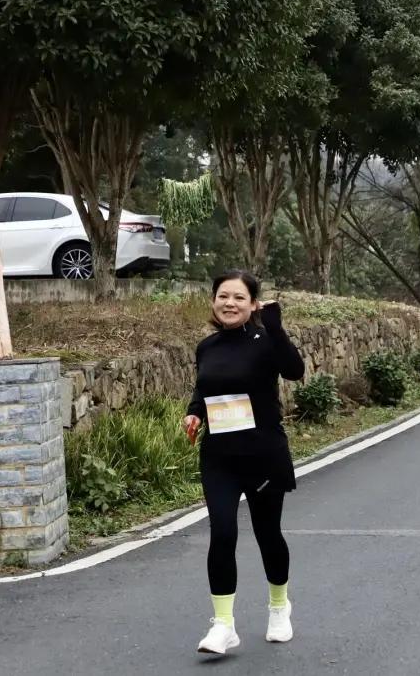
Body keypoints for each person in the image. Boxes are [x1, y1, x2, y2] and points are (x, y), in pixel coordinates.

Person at [183, 270, 305, 655]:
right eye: (223, 296)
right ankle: (223, 625)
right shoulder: (207, 346)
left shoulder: (267, 341)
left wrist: (277, 327)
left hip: (262, 455)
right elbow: (204, 389)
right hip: (219, 456)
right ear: (213, 301)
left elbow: (295, 371)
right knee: (222, 533)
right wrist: (194, 413)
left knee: (268, 534)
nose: (229, 303)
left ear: (253, 304)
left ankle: (279, 607)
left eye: (238, 297)